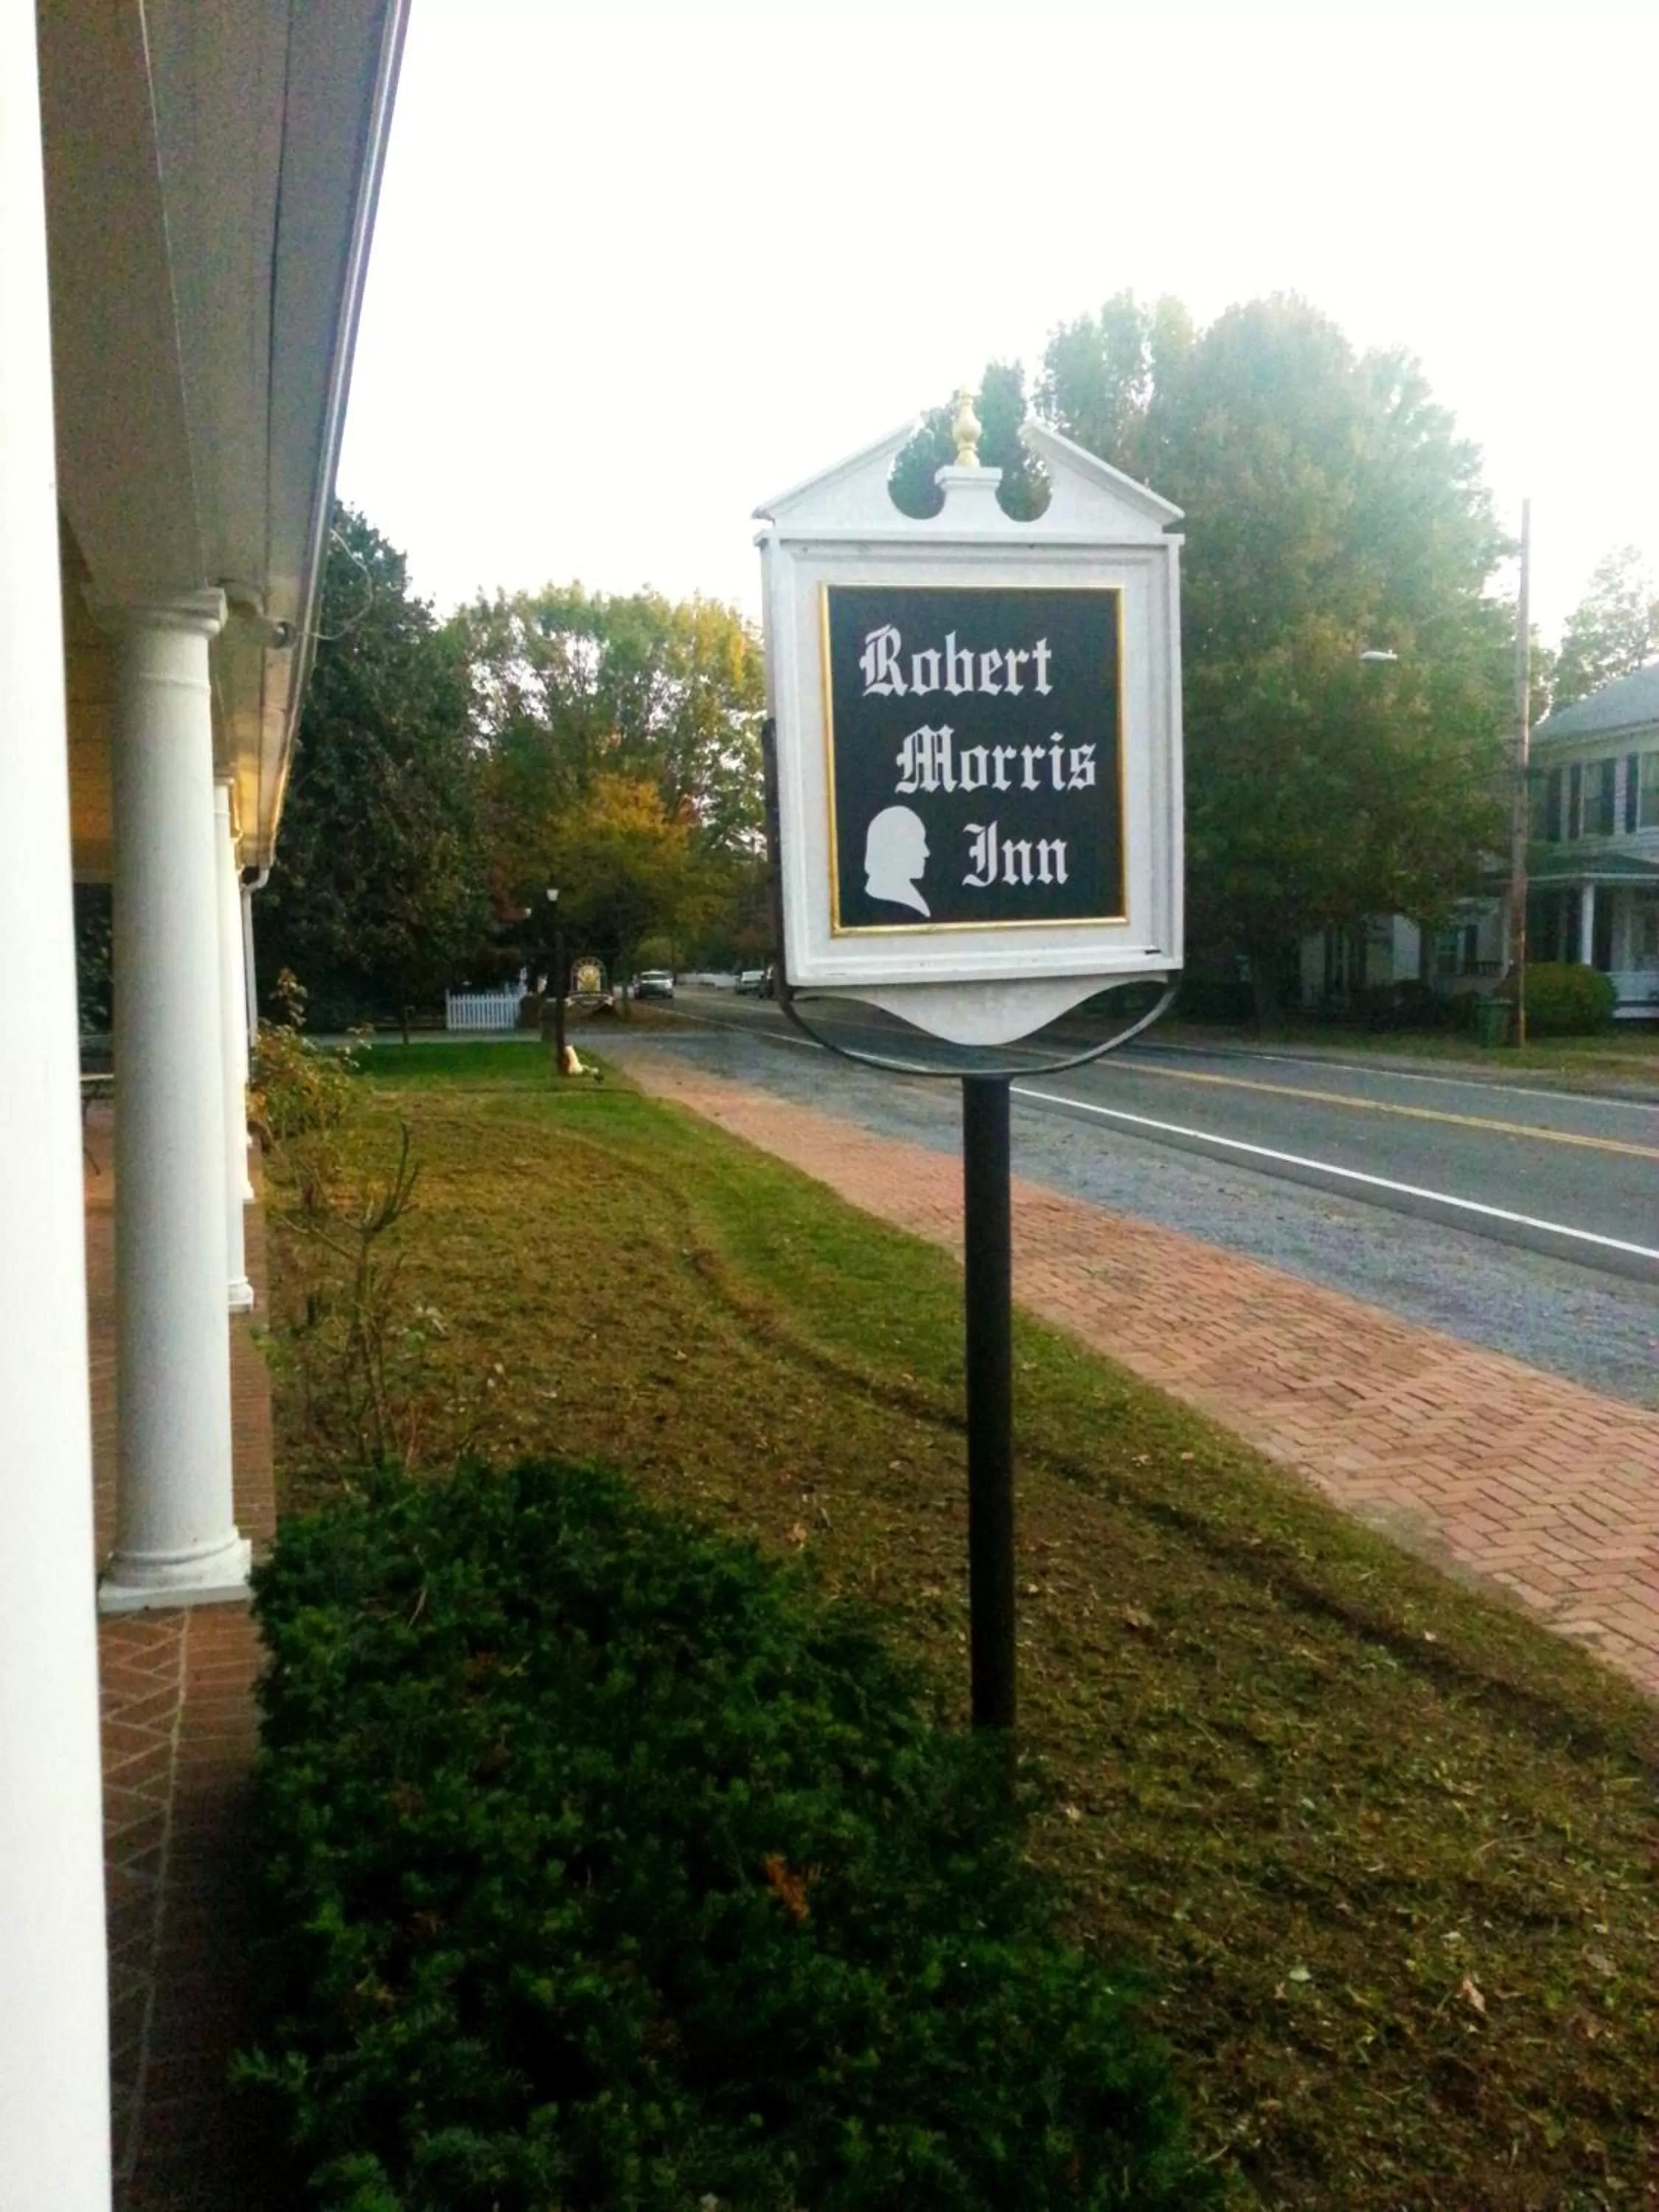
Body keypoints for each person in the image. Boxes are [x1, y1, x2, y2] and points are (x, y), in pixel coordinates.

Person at [863, 805, 931, 917]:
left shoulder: (907, 896)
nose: (926, 852)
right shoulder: (889, 900)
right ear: (891, 848)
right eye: (916, 843)